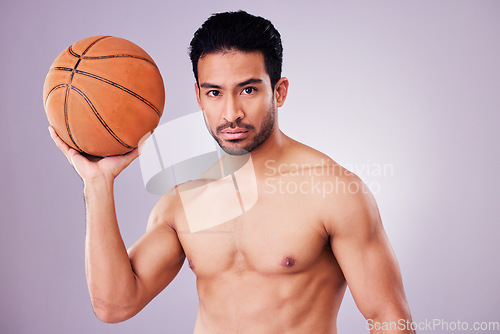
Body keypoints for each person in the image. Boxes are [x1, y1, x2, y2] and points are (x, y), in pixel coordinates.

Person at [49, 10, 414, 334]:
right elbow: (115, 306)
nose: (231, 113)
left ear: (279, 91)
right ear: (198, 96)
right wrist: (97, 184)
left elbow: (388, 317)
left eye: (249, 90)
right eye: (214, 93)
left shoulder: (334, 191)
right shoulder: (183, 198)